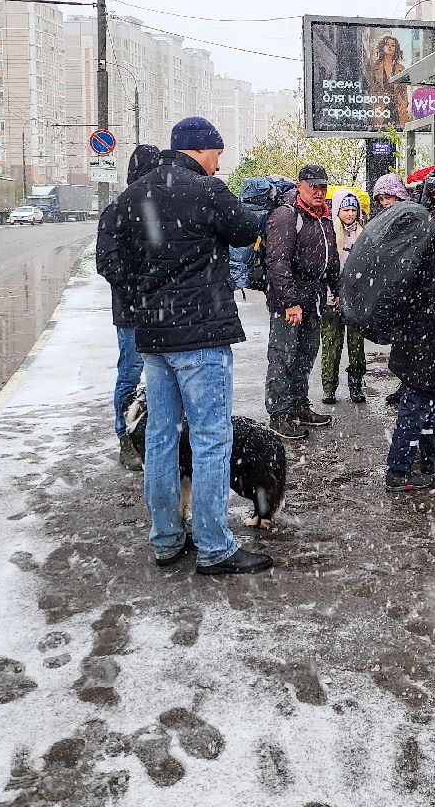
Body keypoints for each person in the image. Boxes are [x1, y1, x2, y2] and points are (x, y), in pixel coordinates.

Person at [117, 116, 271, 576]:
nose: (218, 164)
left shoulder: (135, 194)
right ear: (201, 150)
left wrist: (146, 295)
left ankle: (166, 538)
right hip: (201, 337)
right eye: (217, 155)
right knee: (210, 439)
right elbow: (246, 230)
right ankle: (214, 546)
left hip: (154, 337)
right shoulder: (207, 190)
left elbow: (109, 257)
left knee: (161, 437)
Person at [384, 167, 435, 491]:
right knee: (417, 405)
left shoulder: (423, 242)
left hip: (414, 340)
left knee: (433, 401)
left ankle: (432, 456)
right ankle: (398, 470)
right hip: (425, 346)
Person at [95, 143, 161, 470]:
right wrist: (141, 286)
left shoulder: (162, 206)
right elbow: (107, 263)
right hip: (133, 311)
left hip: (164, 309)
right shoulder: (118, 209)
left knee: (162, 376)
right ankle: (126, 439)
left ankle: (156, 436)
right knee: (131, 375)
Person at [265, 164, 340, 441]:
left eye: (323, 186)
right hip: (288, 304)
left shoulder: (323, 216)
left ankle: (298, 405)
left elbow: (331, 259)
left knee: (305, 356)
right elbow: (278, 262)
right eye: (313, 186)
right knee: (282, 357)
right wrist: (290, 302)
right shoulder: (286, 215)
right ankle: (279, 414)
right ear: (300, 186)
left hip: (313, 300)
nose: (319, 192)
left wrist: (337, 289)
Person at [320, 188, 367, 405]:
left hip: (356, 299)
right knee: (331, 343)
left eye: (353, 210)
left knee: (356, 345)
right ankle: (329, 387)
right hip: (331, 299)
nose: (350, 214)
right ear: (338, 211)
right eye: (346, 209)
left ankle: (355, 384)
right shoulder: (329, 233)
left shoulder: (364, 234)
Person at [366, 35, 408, 124]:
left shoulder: (401, 68)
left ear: (396, 49)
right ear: (382, 47)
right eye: (387, 44)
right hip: (381, 107)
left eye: (393, 45)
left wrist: (404, 107)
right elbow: (371, 88)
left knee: (397, 130)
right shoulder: (375, 67)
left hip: (397, 109)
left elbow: (403, 93)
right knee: (381, 129)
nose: (390, 47)